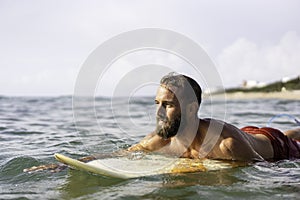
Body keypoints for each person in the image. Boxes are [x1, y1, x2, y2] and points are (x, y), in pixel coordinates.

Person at [24, 73, 300, 173]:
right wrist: (71, 164)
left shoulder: (225, 144)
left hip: (275, 146)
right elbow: (123, 154)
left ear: (191, 108)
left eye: (167, 105)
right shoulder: (163, 139)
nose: (158, 112)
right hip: (251, 134)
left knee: (290, 138)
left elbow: (266, 172)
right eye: (156, 103)